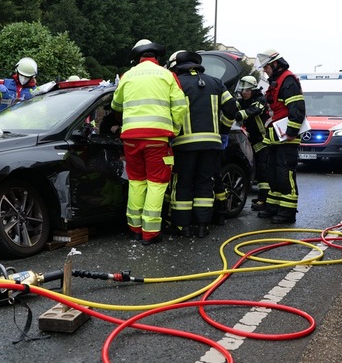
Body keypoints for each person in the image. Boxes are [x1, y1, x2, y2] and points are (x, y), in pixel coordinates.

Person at [111, 39, 188, 245]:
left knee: (136, 182)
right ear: (157, 57)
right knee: (157, 182)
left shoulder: (127, 76)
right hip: (156, 138)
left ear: (137, 58)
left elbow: (115, 104)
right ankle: (150, 233)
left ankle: (135, 229)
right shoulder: (167, 75)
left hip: (130, 139)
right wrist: (174, 130)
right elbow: (180, 107)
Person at [167, 50, 237, 238]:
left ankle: (183, 227)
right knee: (205, 184)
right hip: (211, 144)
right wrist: (223, 130)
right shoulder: (216, 82)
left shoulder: (177, 83)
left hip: (184, 144)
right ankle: (202, 226)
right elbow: (232, 108)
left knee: (184, 184)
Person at [255, 49, 306, 224]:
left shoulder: (288, 80)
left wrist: (291, 132)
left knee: (285, 173)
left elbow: (297, 107)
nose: (265, 71)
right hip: (276, 137)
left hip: (287, 138)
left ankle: (287, 213)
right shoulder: (276, 81)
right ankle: (273, 207)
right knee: (273, 173)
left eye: (266, 67)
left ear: (275, 64)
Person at [233, 75, 271, 211]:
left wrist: (237, 115)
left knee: (263, 170)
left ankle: (264, 199)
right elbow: (233, 107)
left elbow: (252, 111)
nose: (244, 93)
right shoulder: (241, 101)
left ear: (253, 90)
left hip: (262, 140)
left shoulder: (260, 100)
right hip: (249, 140)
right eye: (243, 90)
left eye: (247, 90)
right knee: (251, 167)